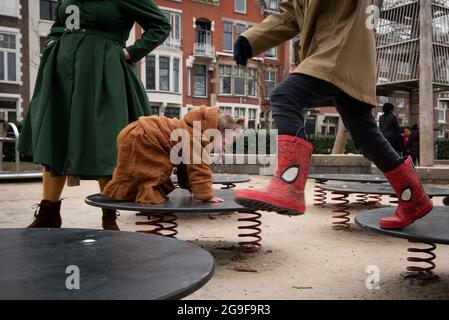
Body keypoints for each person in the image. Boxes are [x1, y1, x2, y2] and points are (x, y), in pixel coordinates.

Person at [233, 0, 432, 230]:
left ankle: (289, 184)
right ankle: (413, 197)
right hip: (332, 55)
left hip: (339, 51)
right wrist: (252, 39)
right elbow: (290, 15)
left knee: (284, 96)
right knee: (366, 137)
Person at [19, 0, 170, 230]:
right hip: (62, 74)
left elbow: (160, 24)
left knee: (108, 141)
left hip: (104, 74)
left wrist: (132, 52)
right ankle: (49, 212)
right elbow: (59, 24)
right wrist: (53, 43)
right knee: (57, 138)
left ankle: (109, 216)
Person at [103, 107, 244, 204]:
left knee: (137, 171)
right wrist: (206, 195)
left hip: (136, 131)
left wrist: (190, 186)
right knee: (155, 173)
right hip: (146, 136)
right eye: (225, 142)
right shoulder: (197, 138)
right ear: (217, 132)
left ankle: (128, 194)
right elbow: (199, 168)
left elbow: (185, 166)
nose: (224, 148)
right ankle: (146, 201)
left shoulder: (192, 129)